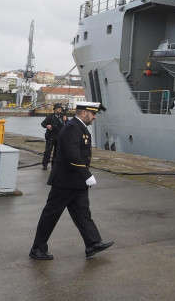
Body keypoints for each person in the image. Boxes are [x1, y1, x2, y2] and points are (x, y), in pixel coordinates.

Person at [30, 102, 114, 260]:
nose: (95, 117)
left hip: (76, 182)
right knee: (51, 215)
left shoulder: (78, 127)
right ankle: (37, 249)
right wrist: (86, 174)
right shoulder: (72, 127)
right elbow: (72, 155)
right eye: (93, 114)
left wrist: (83, 177)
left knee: (83, 213)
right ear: (84, 113)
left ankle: (92, 243)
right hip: (65, 181)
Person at [40, 103, 67, 170]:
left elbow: (68, 126)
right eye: (58, 108)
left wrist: (65, 120)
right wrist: (47, 126)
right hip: (51, 136)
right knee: (48, 151)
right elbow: (43, 123)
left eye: (61, 108)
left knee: (57, 152)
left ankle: (54, 165)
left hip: (59, 137)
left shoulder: (63, 117)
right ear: (55, 109)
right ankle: (45, 164)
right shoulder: (50, 116)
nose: (60, 109)